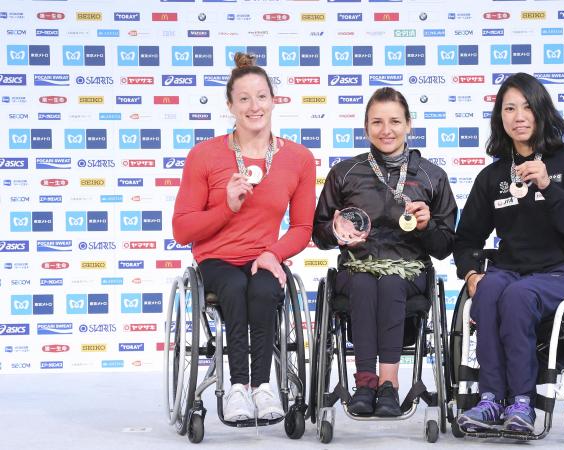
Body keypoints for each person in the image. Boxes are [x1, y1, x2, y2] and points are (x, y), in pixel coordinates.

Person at [172, 52, 316, 422]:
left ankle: (263, 387)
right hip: (217, 259)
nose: (255, 106)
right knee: (234, 288)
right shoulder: (204, 155)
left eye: (262, 96)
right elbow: (182, 229)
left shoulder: (298, 158)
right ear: (231, 106)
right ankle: (237, 388)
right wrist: (227, 207)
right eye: (244, 99)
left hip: (263, 256)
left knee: (266, 289)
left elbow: (302, 227)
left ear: (273, 100)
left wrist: (274, 253)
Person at [454, 72, 564, 432]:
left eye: (526, 107)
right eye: (509, 108)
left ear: (541, 112)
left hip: (560, 271)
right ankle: (490, 400)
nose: (518, 116)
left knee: (518, 296)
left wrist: (549, 186)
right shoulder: (493, 176)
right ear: (500, 118)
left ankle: (522, 403)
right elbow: (466, 238)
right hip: (510, 269)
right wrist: (472, 273)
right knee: (488, 290)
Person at [313, 87, 457, 417]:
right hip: (356, 269)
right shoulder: (344, 173)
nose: (386, 130)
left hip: (409, 273)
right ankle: (365, 383)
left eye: (394, 121)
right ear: (365, 128)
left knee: (390, 283)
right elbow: (319, 234)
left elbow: (446, 246)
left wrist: (426, 226)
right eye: (377, 122)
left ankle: (389, 385)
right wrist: (335, 231)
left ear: (409, 125)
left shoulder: (432, 176)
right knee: (364, 283)